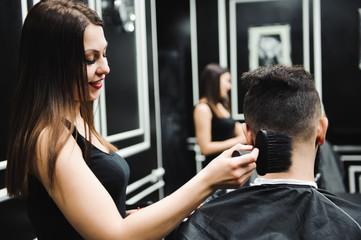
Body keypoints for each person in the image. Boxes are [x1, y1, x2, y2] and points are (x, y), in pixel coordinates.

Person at [5, 1, 258, 239]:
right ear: (51, 65)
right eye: (90, 58)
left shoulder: (77, 121)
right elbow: (115, 235)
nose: (105, 68)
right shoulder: (49, 137)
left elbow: (100, 218)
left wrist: (164, 211)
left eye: (104, 54)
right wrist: (209, 180)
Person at [167, 65, 361, 239]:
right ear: (321, 130)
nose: (229, 86)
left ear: (250, 137)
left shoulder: (205, 224)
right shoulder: (355, 225)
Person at [194, 63, 247, 168]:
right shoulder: (203, 109)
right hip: (217, 167)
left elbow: (237, 129)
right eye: (227, 81)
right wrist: (238, 141)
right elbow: (205, 148)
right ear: (214, 83)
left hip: (232, 164)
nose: (229, 86)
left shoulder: (221, 105)